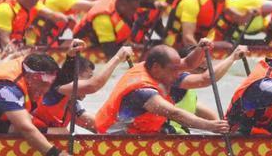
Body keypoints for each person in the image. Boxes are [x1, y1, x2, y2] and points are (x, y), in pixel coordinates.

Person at [94, 44, 230, 135]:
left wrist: (200, 48)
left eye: (178, 69)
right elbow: (175, 114)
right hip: (115, 139)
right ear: (156, 68)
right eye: (174, 70)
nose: (178, 75)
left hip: (142, 134)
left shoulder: (156, 70)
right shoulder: (143, 91)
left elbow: (189, 64)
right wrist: (211, 126)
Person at [32, 45, 133, 132]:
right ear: (74, 76)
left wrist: (128, 126)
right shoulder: (56, 90)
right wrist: (117, 57)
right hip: (25, 136)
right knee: (62, 133)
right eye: (89, 77)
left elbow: (97, 125)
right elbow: (92, 85)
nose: (90, 80)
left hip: (41, 141)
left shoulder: (71, 103)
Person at [164, 41, 250, 134]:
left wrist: (222, 126)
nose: (205, 61)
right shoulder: (173, 79)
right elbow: (207, 79)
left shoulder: (186, 87)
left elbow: (196, 109)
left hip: (180, 134)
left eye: (205, 57)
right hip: (168, 136)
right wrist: (232, 57)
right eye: (199, 58)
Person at [164, 0, 237, 51]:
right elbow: (187, 38)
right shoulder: (193, 1)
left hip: (197, 45)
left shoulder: (221, 0)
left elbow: (239, 18)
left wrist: (250, 12)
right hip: (175, 48)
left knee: (228, 48)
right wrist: (201, 58)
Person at [24, 0, 96, 47]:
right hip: (37, 41)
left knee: (81, 41)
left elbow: (74, 29)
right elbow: (92, 5)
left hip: (47, 38)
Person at [72, 0, 142, 57]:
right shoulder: (103, 19)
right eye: (133, 9)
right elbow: (111, 53)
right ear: (123, 5)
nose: (135, 12)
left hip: (110, 39)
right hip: (88, 44)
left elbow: (142, 2)